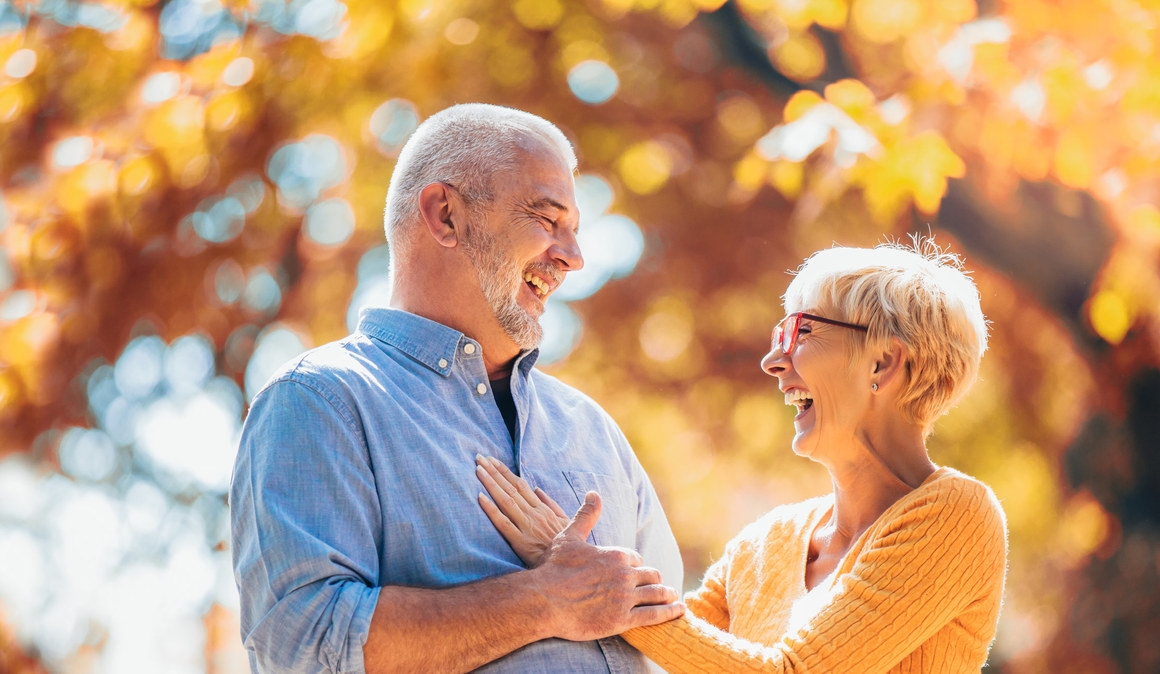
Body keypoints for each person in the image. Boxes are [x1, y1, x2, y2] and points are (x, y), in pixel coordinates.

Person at [229, 103, 685, 674]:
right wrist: (543, 602)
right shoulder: (320, 402)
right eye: (547, 220)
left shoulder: (594, 428)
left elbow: (677, 640)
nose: (573, 257)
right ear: (445, 216)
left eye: (574, 231)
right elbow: (304, 649)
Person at [475, 241, 1009, 672]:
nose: (773, 360)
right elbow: (654, 655)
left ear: (884, 363)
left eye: (801, 331)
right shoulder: (764, 544)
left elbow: (793, 672)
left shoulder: (957, 514)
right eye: (780, 334)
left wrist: (601, 586)